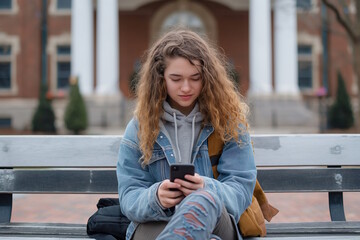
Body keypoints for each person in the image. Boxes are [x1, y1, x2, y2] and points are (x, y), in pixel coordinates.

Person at [116, 29, 256, 240]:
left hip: (216, 222)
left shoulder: (229, 123)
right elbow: (129, 196)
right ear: (160, 77)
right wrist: (155, 197)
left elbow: (241, 193)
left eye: (195, 78)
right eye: (176, 78)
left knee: (202, 200)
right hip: (158, 223)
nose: (186, 87)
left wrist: (204, 188)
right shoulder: (140, 128)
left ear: (207, 77)